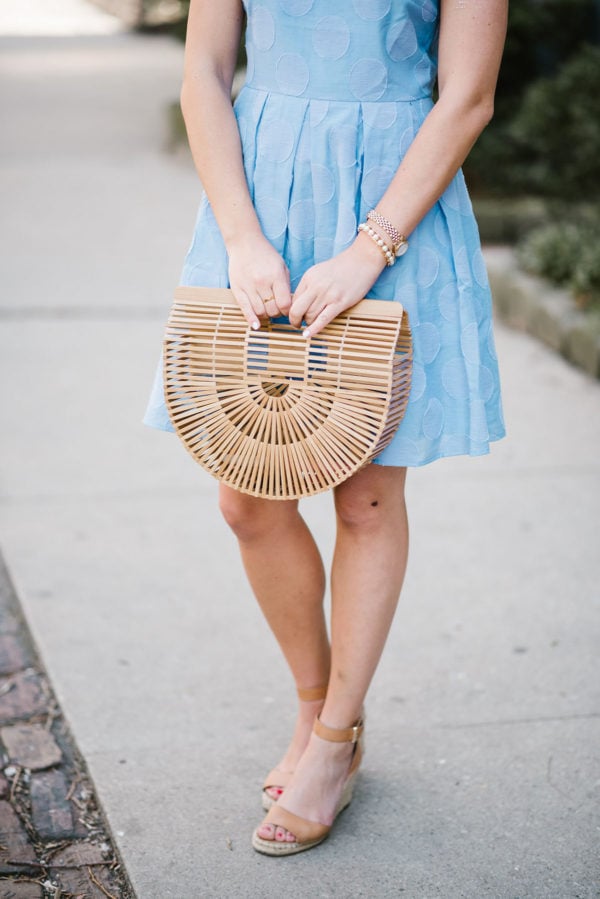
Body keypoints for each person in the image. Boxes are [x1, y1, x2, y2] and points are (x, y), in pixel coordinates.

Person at [144, 0, 508, 856]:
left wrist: (368, 250)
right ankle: (315, 704)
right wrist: (241, 238)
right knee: (248, 498)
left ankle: (335, 738)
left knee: (367, 497)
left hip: (393, 206)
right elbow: (203, 73)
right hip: (261, 201)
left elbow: (469, 96)